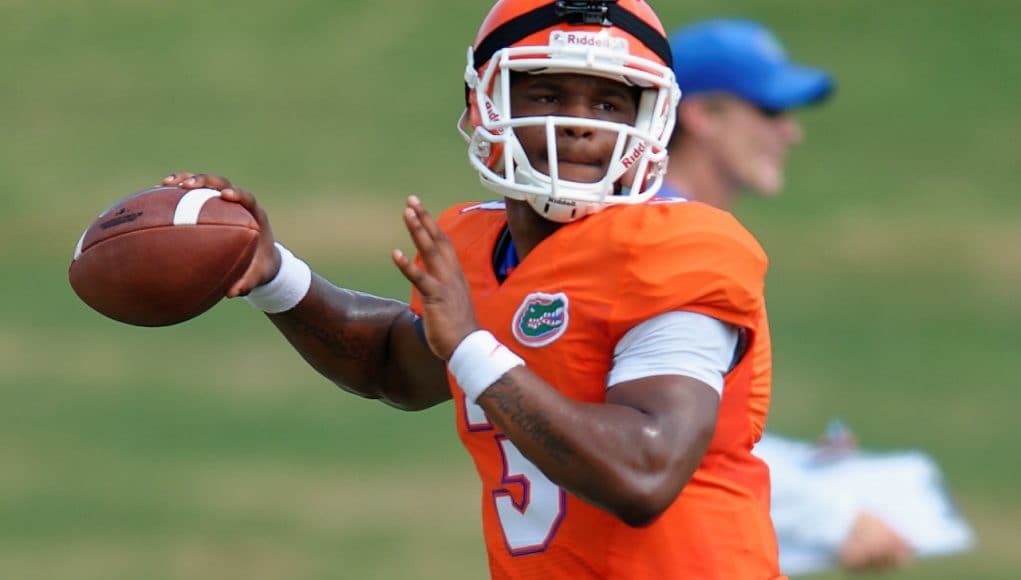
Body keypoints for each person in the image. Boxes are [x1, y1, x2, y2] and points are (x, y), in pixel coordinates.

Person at [162, 2, 784, 578]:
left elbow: (644, 473)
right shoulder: (478, 242)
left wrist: (469, 345)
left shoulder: (681, 251)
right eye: (548, 94)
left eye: (609, 105)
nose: (579, 126)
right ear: (481, 101)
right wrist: (276, 275)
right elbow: (394, 363)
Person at [663, 18, 966, 575]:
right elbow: (667, 443)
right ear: (702, 115)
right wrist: (832, 517)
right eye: (771, 112)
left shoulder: (679, 233)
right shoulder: (669, 248)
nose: (791, 133)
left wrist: (803, 472)